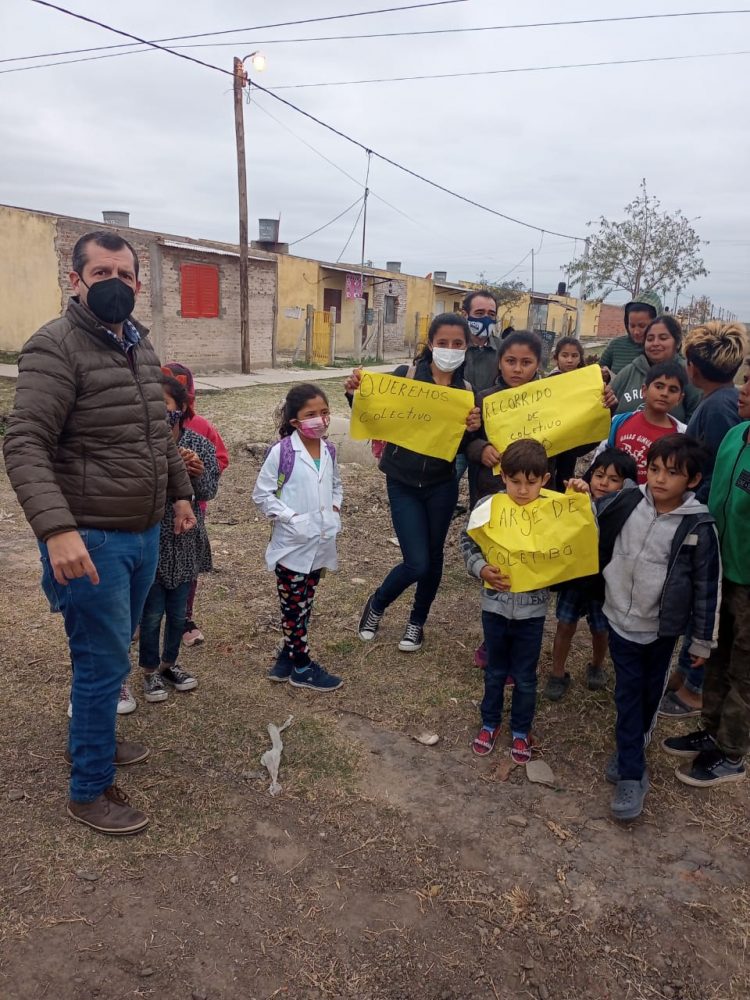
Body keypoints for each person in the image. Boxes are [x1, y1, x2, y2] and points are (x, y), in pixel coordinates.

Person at [3, 230, 195, 836]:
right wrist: (57, 531)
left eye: (125, 274)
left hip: (142, 531)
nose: (116, 284)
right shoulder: (54, 346)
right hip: (91, 539)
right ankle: (88, 790)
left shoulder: (139, 344)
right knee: (101, 663)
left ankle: (94, 743)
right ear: (76, 280)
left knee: (108, 655)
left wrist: (180, 495)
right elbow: (24, 443)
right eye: (102, 273)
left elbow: (156, 433)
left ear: (139, 282)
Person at [593, 435, 721, 821]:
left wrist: (702, 641)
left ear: (693, 480)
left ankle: (631, 745)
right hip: (619, 619)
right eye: (654, 469)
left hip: (661, 630)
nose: (660, 479)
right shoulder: (627, 501)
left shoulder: (699, 525)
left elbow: (707, 587)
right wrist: (578, 495)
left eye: (672, 473)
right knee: (628, 693)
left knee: (649, 694)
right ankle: (633, 772)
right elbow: (588, 520)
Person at [347, 314, 481, 653]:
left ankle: (416, 622)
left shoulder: (467, 393)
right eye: (443, 342)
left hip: (442, 484)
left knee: (433, 559)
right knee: (416, 561)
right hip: (402, 482)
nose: (450, 349)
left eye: (457, 343)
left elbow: (461, 447)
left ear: (467, 347)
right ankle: (377, 603)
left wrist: (472, 430)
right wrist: (355, 392)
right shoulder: (404, 377)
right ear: (431, 343)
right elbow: (372, 411)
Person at [664, 362, 750, 787]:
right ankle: (712, 730)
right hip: (722, 568)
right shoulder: (737, 435)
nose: (743, 390)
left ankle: (732, 753)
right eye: (747, 380)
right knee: (717, 654)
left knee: (745, 669)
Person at [460, 439, 551, 764]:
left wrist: (581, 499)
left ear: (545, 480)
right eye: (515, 481)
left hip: (532, 612)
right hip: (495, 607)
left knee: (525, 676)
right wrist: (481, 568)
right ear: (503, 476)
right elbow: (468, 540)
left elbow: (577, 539)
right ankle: (490, 722)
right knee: (495, 671)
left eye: (531, 482)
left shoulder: (553, 512)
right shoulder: (489, 506)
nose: (523, 490)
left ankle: (521, 729)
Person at [253, 384, 344, 691]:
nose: (320, 419)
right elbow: (262, 495)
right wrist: (293, 518)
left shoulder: (329, 450)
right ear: (294, 421)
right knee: (293, 606)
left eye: (324, 412)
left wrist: (334, 508)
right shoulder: (282, 452)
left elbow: (336, 485)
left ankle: (287, 655)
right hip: (291, 545)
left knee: (305, 601)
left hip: (320, 540)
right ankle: (302, 667)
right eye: (311, 414)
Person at [138, 376, 220, 703]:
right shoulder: (140, 446)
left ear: (181, 407)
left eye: (165, 403)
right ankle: (149, 670)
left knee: (178, 613)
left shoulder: (200, 445)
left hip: (186, 540)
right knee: (151, 612)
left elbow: (209, 491)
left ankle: (169, 664)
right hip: (152, 540)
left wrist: (195, 476)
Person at [544, 447, 638, 702]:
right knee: (565, 624)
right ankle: (557, 673)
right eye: (599, 475)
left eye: (613, 479)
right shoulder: (579, 499)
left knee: (600, 628)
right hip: (574, 579)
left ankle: (597, 665)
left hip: (604, 583)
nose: (603, 483)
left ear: (627, 484)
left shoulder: (629, 509)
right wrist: (574, 494)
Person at [160, 361, 229, 648]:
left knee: (187, 570)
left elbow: (220, 458)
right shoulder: (141, 434)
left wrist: (200, 472)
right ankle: (142, 620)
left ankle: (185, 619)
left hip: (191, 511)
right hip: (151, 516)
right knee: (150, 574)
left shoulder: (201, 429)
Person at [605, 361, 688, 483]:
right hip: (614, 494)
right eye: (659, 387)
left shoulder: (682, 436)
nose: (664, 393)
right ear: (644, 390)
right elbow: (600, 460)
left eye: (673, 390)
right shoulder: (619, 422)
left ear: (679, 399)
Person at [610, 315, 701, 422]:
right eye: (650, 339)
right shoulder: (630, 371)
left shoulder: (688, 373)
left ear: (677, 343)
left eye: (663, 338)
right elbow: (607, 406)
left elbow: (697, 417)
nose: (655, 343)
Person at [546, 336, 594, 491]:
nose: (569, 360)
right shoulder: (549, 381)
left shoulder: (586, 380)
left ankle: (564, 497)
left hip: (572, 436)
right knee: (548, 469)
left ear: (580, 358)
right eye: (565, 355)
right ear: (556, 358)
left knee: (566, 471)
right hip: (553, 434)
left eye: (574, 356)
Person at [599, 290, 662, 377]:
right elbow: (598, 370)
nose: (636, 332)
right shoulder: (616, 345)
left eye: (642, 326)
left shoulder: (663, 349)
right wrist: (604, 374)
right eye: (632, 326)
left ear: (656, 323)